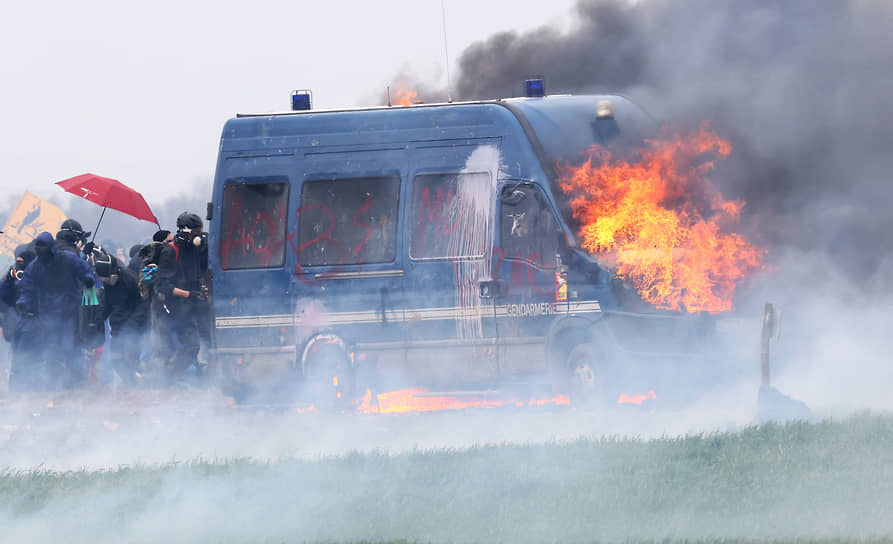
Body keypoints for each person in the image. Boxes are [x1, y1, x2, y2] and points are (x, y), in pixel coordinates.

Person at [16, 232, 97, 390]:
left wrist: (88, 278)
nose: (41, 250)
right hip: (47, 312)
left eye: (43, 247)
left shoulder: (68, 258)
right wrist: (23, 303)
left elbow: (84, 269)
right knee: (51, 347)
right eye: (38, 247)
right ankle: (53, 384)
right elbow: (27, 287)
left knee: (70, 347)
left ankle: (77, 383)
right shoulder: (35, 267)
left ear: (51, 247)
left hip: (70, 310)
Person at [154, 213, 208, 383]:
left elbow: (198, 273)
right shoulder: (170, 250)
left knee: (203, 339)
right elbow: (163, 286)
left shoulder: (194, 249)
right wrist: (188, 294)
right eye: (194, 233)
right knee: (192, 344)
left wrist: (202, 288)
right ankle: (168, 378)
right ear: (184, 231)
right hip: (174, 307)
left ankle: (185, 376)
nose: (197, 236)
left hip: (192, 303)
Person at [93, 252, 147, 386]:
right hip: (117, 325)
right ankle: (130, 382)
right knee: (116, 359)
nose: (105, 282)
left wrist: (134, 323)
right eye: (102, 279)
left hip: (133, 325)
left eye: (107, 278)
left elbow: (143, 303)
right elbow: (108, 302)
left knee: (131, 357)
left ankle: (138, 381)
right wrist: (99, 319)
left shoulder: (130, 279)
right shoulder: (108, 283)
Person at [1, 246, 36, 391]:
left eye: (21, 263)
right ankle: (15, 392)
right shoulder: (12, 278)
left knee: (31, 362)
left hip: (34, 326)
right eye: (17, 262)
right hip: (16, 327)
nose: (18, 266)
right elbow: (3, 298)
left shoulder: (37, 277)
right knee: (17, 362)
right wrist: (9, 279)